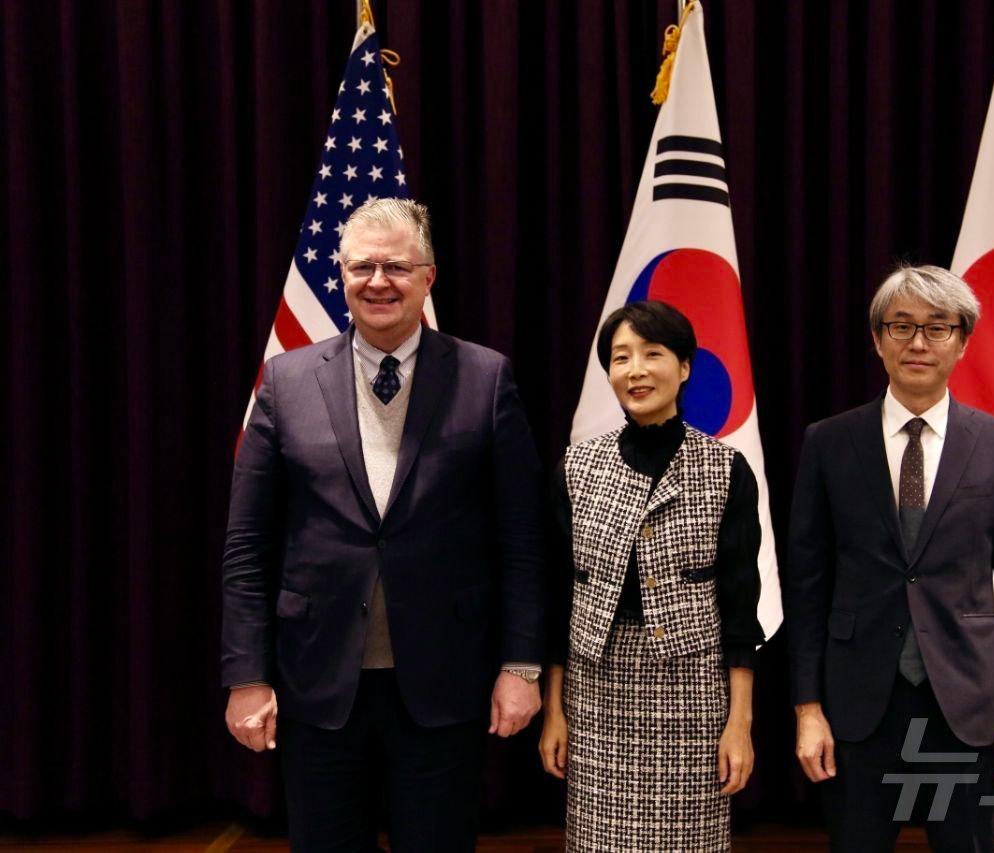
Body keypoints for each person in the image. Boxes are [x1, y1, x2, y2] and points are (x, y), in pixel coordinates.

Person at [220, 198, 545, 851]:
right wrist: (246, 674)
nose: (378, 281)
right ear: (339, 275)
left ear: (428, 276)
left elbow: (523, 536)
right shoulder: (285, 382)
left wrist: (523, 664)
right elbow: (247, 545)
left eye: (396, 265)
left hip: (444, 680)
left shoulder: (485, 378)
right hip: (318, 683)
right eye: (362, 265)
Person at [785, 264, 994, 852]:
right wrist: (808, 707)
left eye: (937, 328)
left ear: (963, 341)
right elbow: (806, 586)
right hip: (857, 706)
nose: (918, 343)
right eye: (901, 326)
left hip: (969, 704)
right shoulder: (829, 443)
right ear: (876, 339)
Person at [539, 300, 764, 852]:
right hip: (597, 694)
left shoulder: (724, 468)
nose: (636, 370)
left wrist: (739, 723)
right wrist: (554, 710)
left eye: (652, 354)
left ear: (684, 367)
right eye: (621, 358)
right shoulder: (577, 466)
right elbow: (556, 596)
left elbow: (740, 607)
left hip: (693, 694)